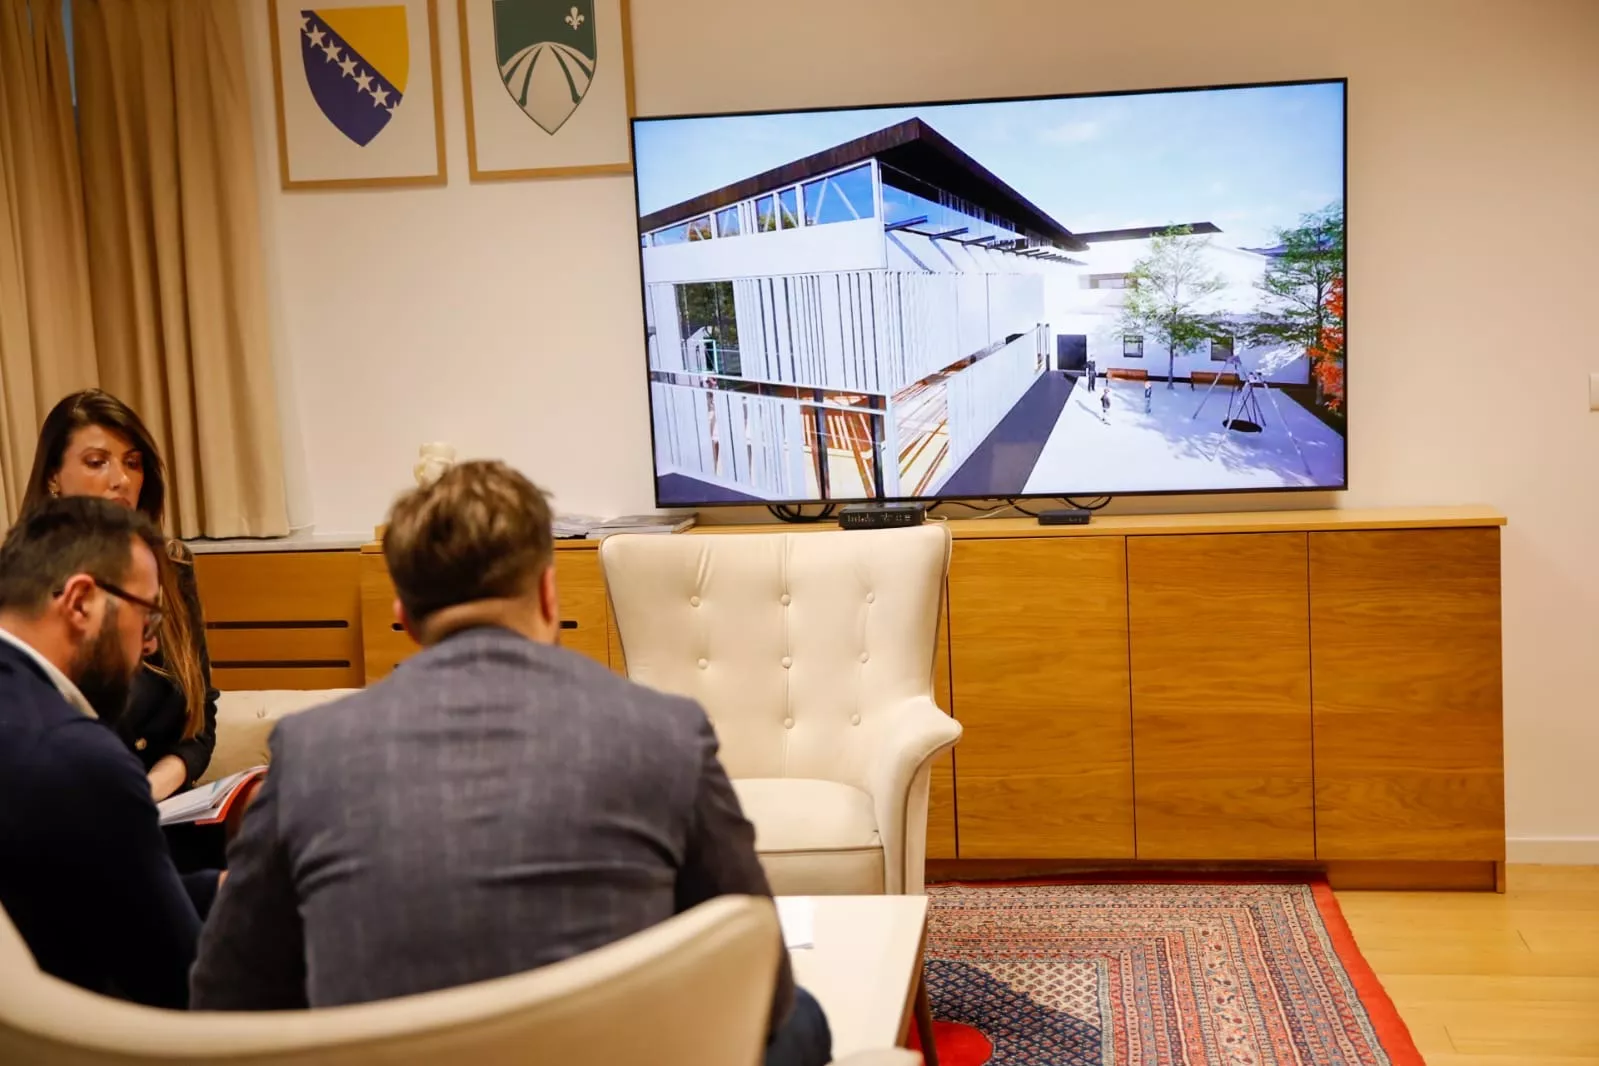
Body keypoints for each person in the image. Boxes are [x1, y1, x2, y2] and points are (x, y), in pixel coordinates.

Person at [191, 461, 831, 1066]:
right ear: (549, 594)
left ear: (403, 617)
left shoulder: (308, 751)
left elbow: (227, 1000)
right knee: (801, 1016)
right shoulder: (664, 732)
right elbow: (762, 978)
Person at [0, 497, 211, 1007]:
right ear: (80, 602)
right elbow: (183, 982)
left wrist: (226, 888)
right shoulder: (75, 757)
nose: (150, 645)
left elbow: (76, 893)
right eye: (148, 618)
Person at [23, 390, 222, 868]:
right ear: (54, 477)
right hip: (75, 835)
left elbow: (201, 722)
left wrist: (153, 788)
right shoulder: (23, 590)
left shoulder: (172, 567)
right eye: (97, 462)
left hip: (170, 817)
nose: (121, 479)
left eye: (133, 463)